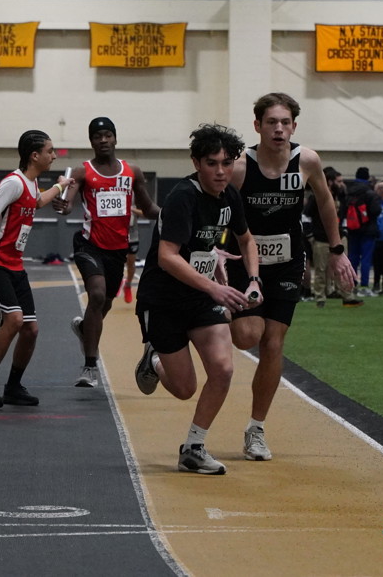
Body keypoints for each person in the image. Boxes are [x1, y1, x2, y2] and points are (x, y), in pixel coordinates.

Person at [225, 92, 357, 462]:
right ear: (257, 126)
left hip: (286, 260)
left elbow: (325, 201)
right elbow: (214, 205)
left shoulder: (307, 161)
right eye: (271, 122)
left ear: (294, 127)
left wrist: (336, 250)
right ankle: (209, 317)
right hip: (242, 258)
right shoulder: (240, 167)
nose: (279, 129)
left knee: (273, 342)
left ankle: (256, 429)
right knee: (246, 335)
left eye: (285, 122)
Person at [134, 123, 262, 475]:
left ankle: (193, 447)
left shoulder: (229, 196)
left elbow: (247, 240)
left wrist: (253, 280)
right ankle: (154, 361)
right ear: (196, 163)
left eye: (227, 163)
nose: (221, 171)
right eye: (212, 163)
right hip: (163, 300)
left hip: (200, 299)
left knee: (223, 369)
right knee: (184, 388)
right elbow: (167, 257)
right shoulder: (182, 197)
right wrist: (213, 287)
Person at [51, 116, 158, 388]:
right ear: (91, 142)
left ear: (115, 138)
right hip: (89, 245)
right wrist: (62, 206)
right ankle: (89, 367)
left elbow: (148, 209)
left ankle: (85, 328)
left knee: (105, 303)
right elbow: (68, 204)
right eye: (97, 137)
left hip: (117, 250)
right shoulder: (82, 172)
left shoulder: (132, 172)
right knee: (97, 295)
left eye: (108, 135)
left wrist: (175, 214)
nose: (103, 140)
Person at [0, 130, 71, 408]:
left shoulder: (31, 182)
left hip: (15, 265)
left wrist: (61, 186)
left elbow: (38, 201)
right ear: (34, 155)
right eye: (50, 151)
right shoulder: (13, 183)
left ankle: (13, 386)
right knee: (14, 321)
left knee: (30, 330)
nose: (54, 155)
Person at [304, 166, 346, 308]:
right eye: (338, 181)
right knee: (320, 270)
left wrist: (344, 231)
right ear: (330, 181)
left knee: (340, 268)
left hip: (338, 239)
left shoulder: (340, 196)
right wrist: (310, 235)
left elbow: (343, 215)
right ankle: (320, 297)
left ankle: (343, 293)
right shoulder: (316, 196)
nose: (341, 184)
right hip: (320, 239)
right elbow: (306, 216)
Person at [344, 167, 381, 299]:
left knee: (352, 258)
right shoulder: (370, 192)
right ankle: (364, 286)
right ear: (367, 177)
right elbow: (376, 210)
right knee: (366, 259)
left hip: (352, 229)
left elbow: (343, 210)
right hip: (368, 230)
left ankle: (351, 285)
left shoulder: (349, 192)